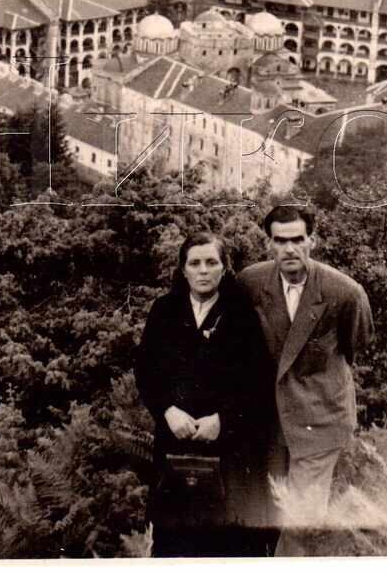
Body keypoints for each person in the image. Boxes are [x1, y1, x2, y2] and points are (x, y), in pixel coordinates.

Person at [237, 204, 374, 556]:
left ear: (312, 240)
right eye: (280, 241)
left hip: (320, 420)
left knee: (301, 523)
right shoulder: (251, 283)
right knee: (267, 517)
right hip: (269, 423)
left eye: (298, 239)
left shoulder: (345, 293)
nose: (289, 249)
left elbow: (355, 346)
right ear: (269, 243)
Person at [135, 232, 275, 557]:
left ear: (225, 268)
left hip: (231, 453)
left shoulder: (242, 315)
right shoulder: (164, 311)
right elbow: (146, 371)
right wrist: (167, 410)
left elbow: (259, 382)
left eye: (211, 262)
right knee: (176, 547)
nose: (203, 270)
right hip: (175, 444)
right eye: (194, 263)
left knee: (230, 547)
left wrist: (223, 420)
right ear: (183, 269)